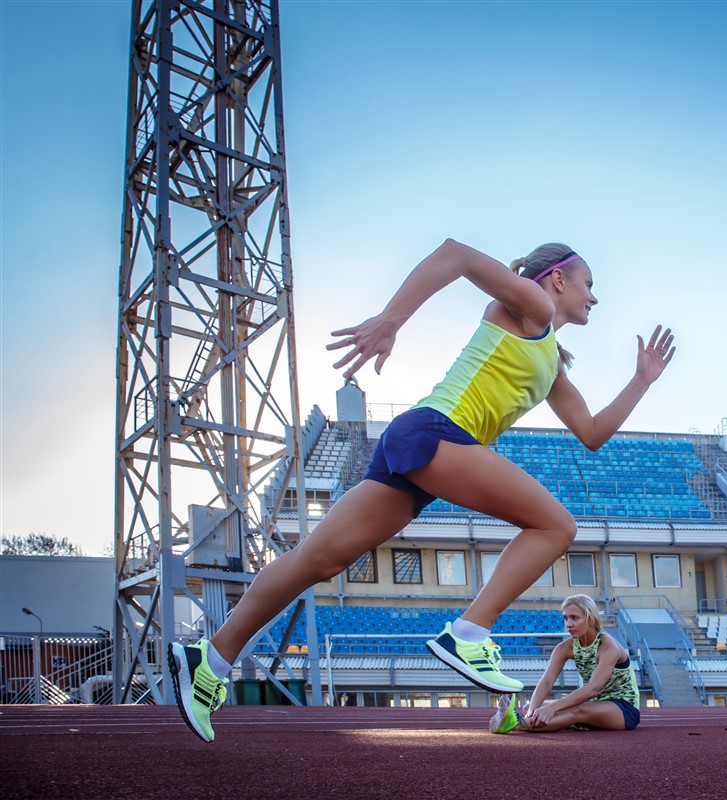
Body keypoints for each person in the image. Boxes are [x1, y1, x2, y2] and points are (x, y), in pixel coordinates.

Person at [167, 239, 675, 742]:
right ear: (559, 279)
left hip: (417, 446)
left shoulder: (551, 359)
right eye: (589, 284)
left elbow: (591, 433)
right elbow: (455, 254)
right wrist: (390, 320)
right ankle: (470, 633)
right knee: (556, 525)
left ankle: (210, 658)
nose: (594, 297)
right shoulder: (534, 306)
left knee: (315, 561)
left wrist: (642, 380)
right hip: (436, 433)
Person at [489, 594, 640, 734]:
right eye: (565, 618)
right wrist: (532, 712)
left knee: (579, 710)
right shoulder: (565, 648)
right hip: (594, 703)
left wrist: (553, 708)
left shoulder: (608, 647)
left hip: (623, 708)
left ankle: (517, 724)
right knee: (531, 706)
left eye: (574, 618)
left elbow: (593, 688)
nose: (568, 624)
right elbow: (547, 681)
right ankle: (539, 719)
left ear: (591, 619)